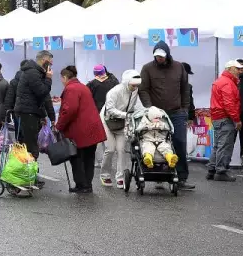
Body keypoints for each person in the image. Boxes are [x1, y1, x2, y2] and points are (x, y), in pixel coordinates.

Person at [138, 42, 195, 191]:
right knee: (157, 142)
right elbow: (143, 90)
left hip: (177, 112)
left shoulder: (178, 67)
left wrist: (185, 108)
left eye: (161, 56)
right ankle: (159, 175)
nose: (159, 59)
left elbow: (185, 89)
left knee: (180, 142)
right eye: (156, 56)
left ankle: (182, 178)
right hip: (157, 113)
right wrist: (150, 108)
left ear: (167, 54)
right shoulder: (147, 68)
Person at [56, 66, 106, 194]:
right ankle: (87, 184)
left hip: (80, 130)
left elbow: (69, 110)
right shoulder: (83, 87)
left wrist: (59, 126)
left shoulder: (71, 88)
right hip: (92, 128)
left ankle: (81, 185)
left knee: (77, 157)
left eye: (61, 79)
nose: (61, 81)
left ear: (65, 77)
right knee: (89, 158)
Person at [99, 69, 143, 190]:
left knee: (121, 150)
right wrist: (126, 115)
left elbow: (136, 106)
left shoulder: (135, 91)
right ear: (126, 82)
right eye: (133, 85)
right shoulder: (114, 91)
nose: (135, 87)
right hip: (107, 120)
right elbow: (110, 109)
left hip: (122, 122)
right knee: (110, 149)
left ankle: (120, 177)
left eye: (136, 85)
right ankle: (105, 175)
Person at [10, 51, 55, 162]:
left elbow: (41, 97)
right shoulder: (33, 73)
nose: (51, 66)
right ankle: (30, 173)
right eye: (50, 63)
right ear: (44, 60)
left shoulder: (36, 72)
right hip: (27, 111)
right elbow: (42, 92)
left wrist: (44, 115)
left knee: (30, 142)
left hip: (31, 111)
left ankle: (30, 172)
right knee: (31, 144)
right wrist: (48, 78)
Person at [208, 59, 243, 182]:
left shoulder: (221, 81)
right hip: (225, 118)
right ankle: (221, 171)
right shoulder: (228, 83)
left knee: (218, 145)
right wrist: (237, 120)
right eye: (237, 68)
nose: (239, 71)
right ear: (229, 69)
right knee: (225, 145)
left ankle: (212, 169)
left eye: (240, 68)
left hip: (218, 117)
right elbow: (229, 104)